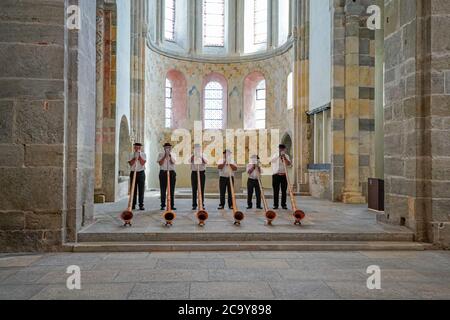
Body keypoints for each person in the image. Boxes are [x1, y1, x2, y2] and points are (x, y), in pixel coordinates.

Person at [271, 144, 292, 210]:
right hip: (276, 175)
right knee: (276, 191)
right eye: (280, 148)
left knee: (284, 191)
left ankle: (283, 205)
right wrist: (279, 156)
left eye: (283, 148)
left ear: (285, 149)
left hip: (284, 175)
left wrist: (284, 157)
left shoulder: (287, 156)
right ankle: (275, 205)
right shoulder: (275, 155)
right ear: (278, 149)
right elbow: (272, 160)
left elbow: (289, 164)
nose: (281, 150)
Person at [157, 143, 177, 211]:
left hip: (172, 172)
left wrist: (170, 156)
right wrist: (165, 156)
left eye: (169, 147)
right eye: (166, 147)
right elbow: (160, 163)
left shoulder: (174, 154)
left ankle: (172, 205)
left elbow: (173, 162)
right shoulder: (160, 154)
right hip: (163, 172)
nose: (168, 149)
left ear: (171, 148)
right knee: (163, 189)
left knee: (171, 190)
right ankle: (162, 205)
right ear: (164, 148)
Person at [128, 143, 147, 211]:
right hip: (133, 172)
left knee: (141, 190)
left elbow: (142, 163)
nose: (137, 148)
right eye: (136, 147)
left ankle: (141, 205)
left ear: (140, 148)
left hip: (141, 172)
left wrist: (139, 157)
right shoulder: (131, 154)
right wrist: (134, 158)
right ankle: (132, 205)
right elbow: (130, 164)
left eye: (138, 147)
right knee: (133, 189)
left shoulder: (143, 154)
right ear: (134, 148)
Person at [191, 144, 208, 211]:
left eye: (198, 148)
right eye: (196, 148)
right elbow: (189, 161)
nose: (197, 149)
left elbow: (205, 162)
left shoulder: (204, 155)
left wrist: (200, 156)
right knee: (194, 189)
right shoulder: (192, 155)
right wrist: (194, 155)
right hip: (194, 173)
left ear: (201, 149)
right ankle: (194, 205)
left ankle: (202, 204)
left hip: (201, 173)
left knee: (201, 189)